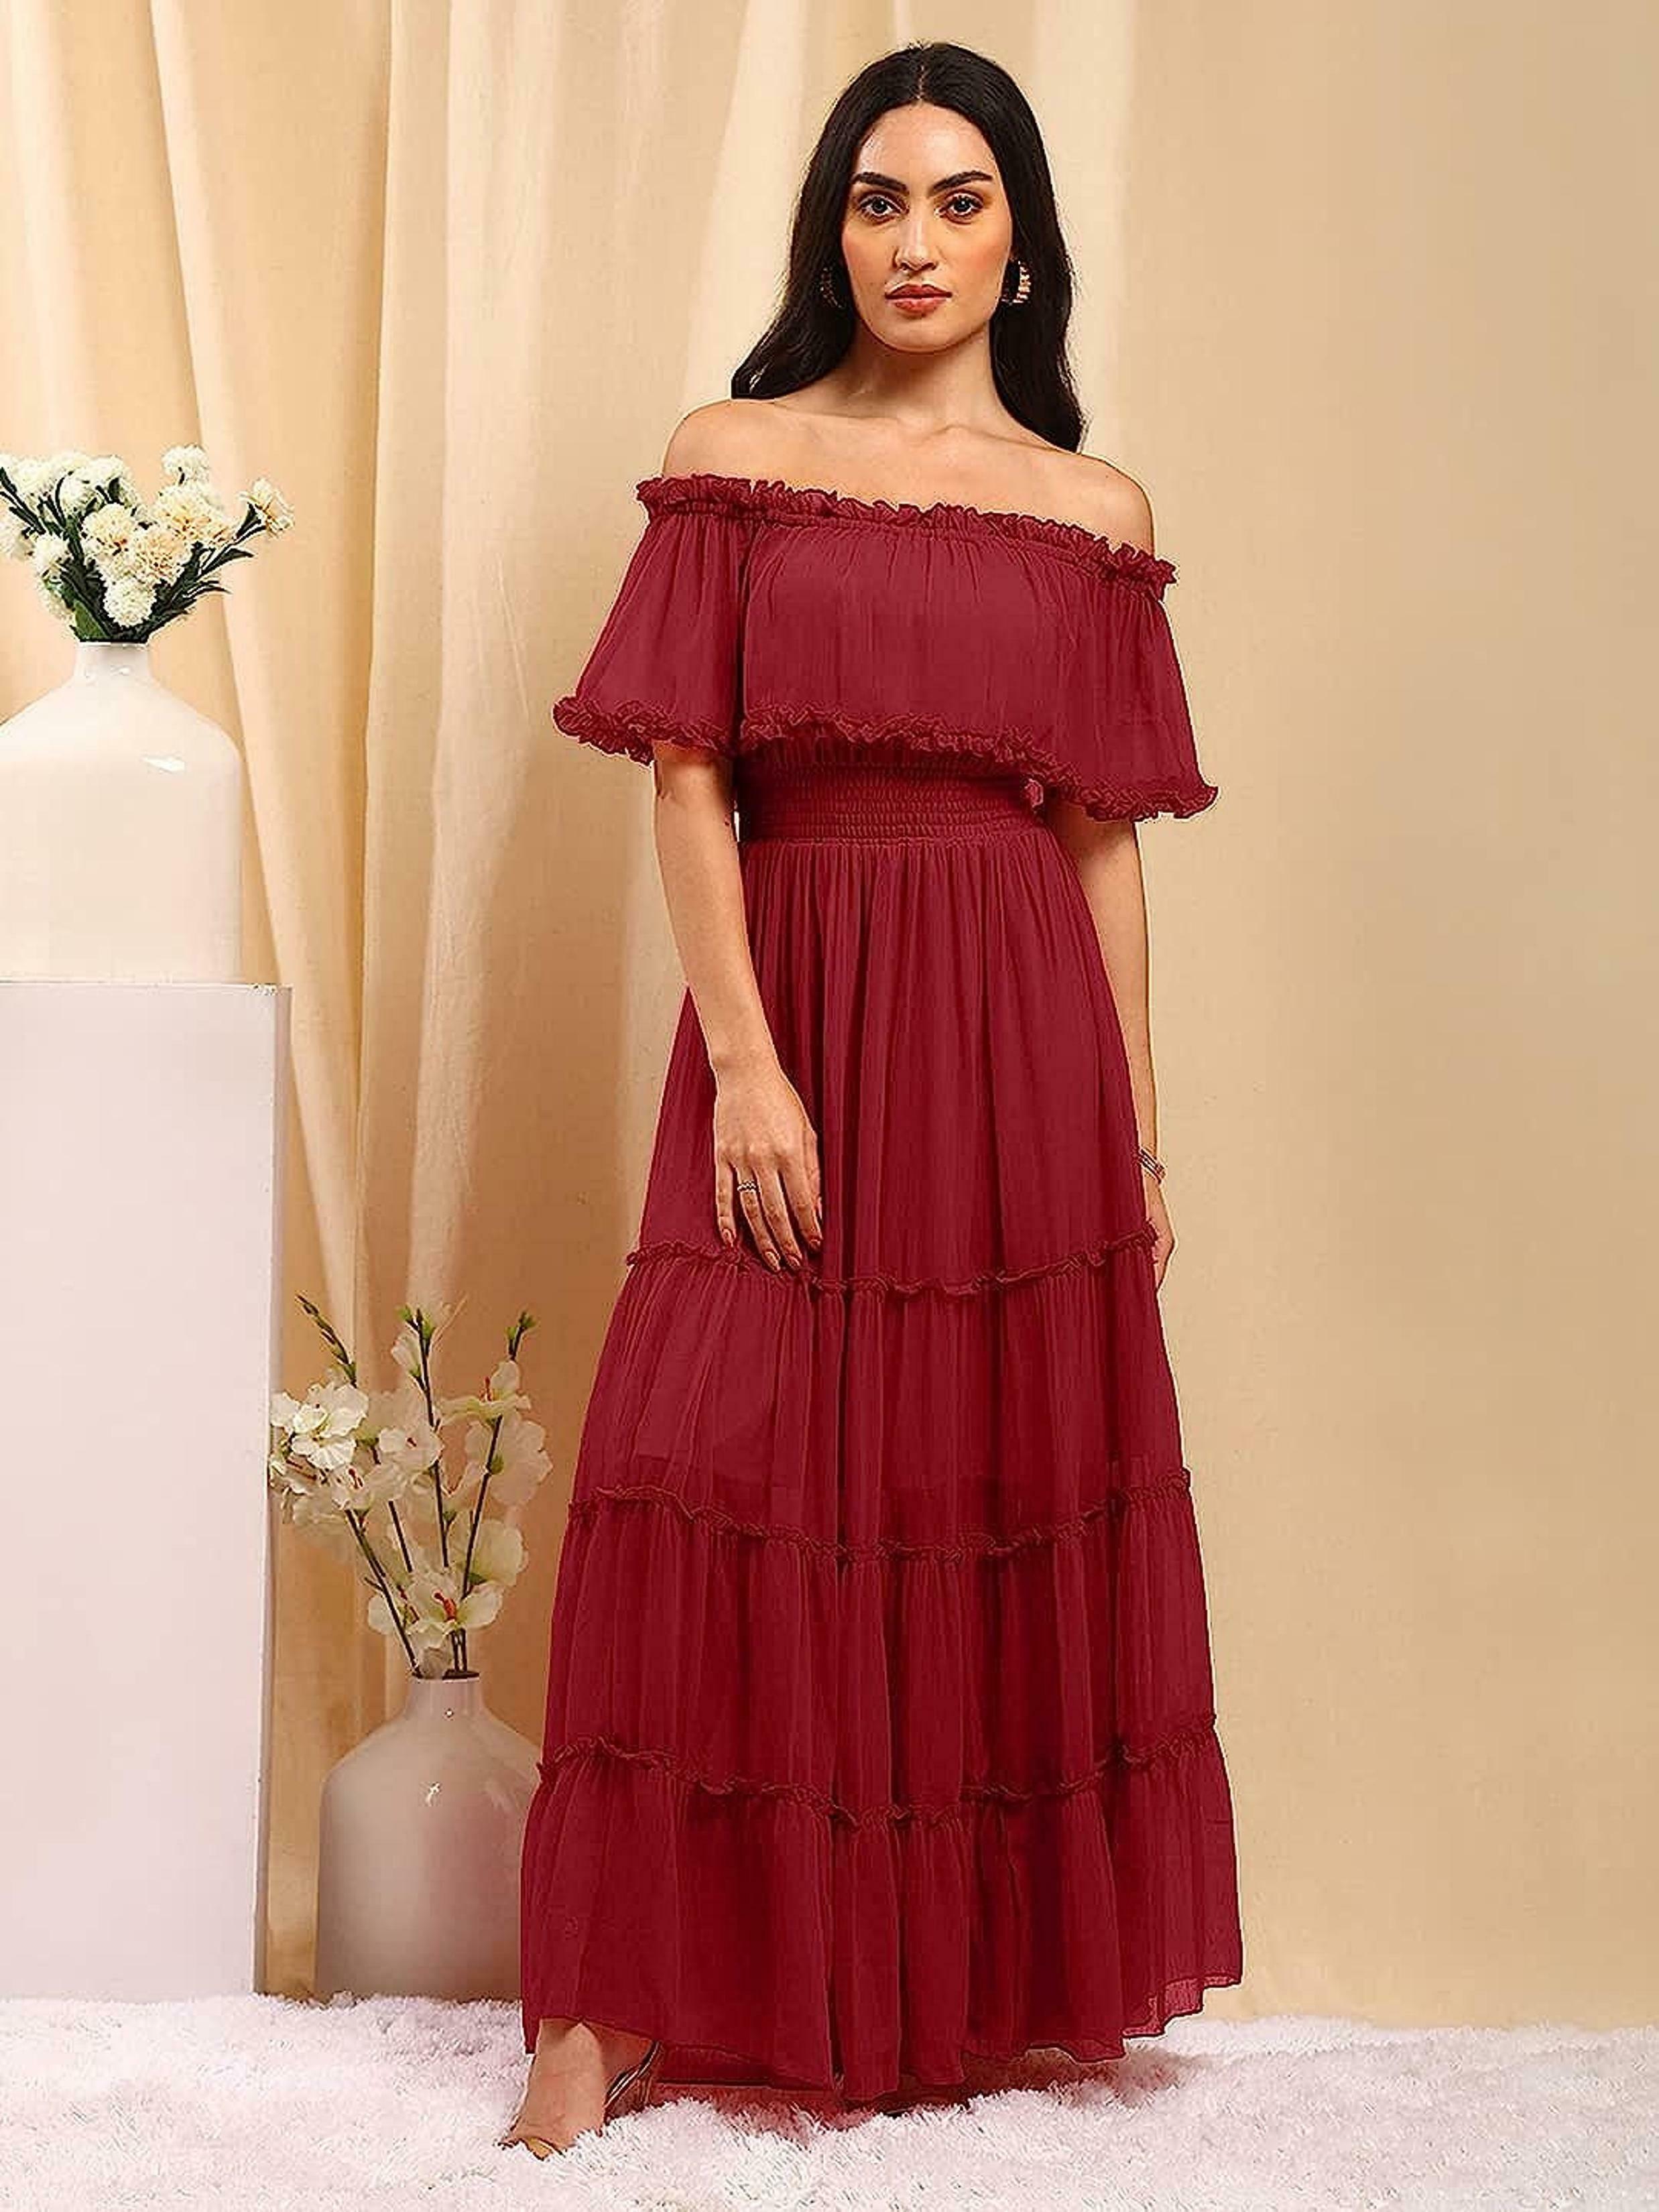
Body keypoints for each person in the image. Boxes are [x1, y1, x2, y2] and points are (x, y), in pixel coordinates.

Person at [501, 38, 1243, 2159]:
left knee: (967, 1473)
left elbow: (1100, 839)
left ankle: (947, 1987)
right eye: (874, 198)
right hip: (797, 995)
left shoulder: (1092, 517)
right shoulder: (734, 458)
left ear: (1022, 247)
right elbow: (688, 777)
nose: (913, 240)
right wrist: (746, 1059)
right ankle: (613, 1998)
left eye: (958, 200)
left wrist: (1135, 1132)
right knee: (708, 1456)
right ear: (829, 233)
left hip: (1016, 1035)